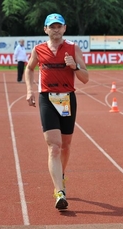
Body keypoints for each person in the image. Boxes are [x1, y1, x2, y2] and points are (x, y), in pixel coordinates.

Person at [25, 13, 89, 210]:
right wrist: (30, 89)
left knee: (66, 146)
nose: (55, 29)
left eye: (58, 26)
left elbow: (85, 78)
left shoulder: (73, 48)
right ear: (45, 29)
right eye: (51, 26)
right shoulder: (39, 49)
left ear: (64, 28)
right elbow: (29, 69)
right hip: (47, 98)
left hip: (67, 98)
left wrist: (74, 66)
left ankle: (60, 175)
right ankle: (59, 191)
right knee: (54, 145)